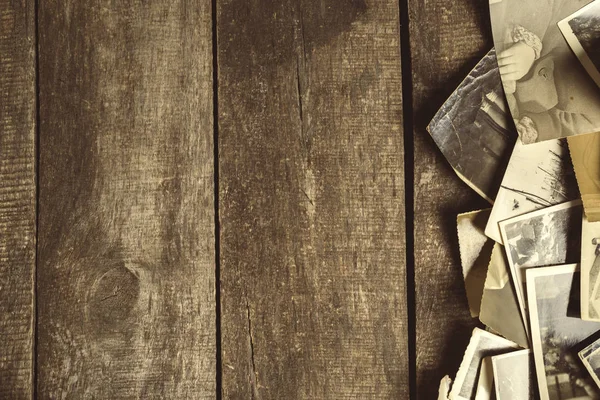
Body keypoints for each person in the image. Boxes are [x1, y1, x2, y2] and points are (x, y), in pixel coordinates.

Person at [490, 0, 600, 142]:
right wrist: (529, 43)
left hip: (520, 110)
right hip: (511, 36)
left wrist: (535, 127)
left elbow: (576, 124)